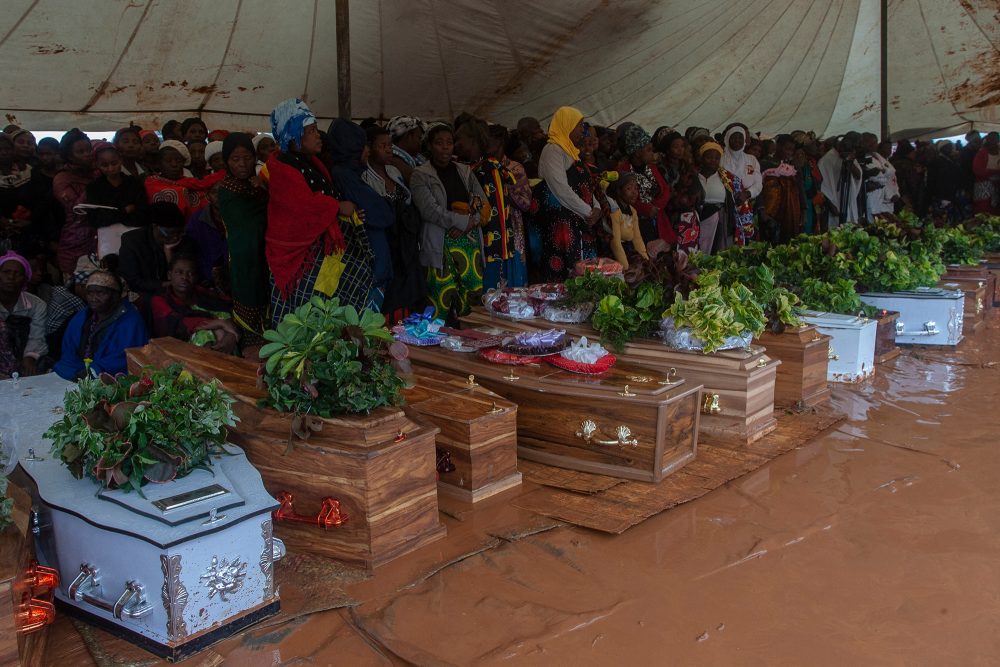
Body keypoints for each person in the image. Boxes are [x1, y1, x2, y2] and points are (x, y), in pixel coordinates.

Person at [266, 98, 367, 323]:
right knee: (301, 317)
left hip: (320, 254)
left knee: (325, 311)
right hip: (301, 260)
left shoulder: (310, 163)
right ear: (293, 136)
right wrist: (337, 207)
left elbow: (322, 198)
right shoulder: (284, 168)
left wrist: (345, 214)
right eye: (311, 130)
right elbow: (302, 206)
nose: (317, 135)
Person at [412, 124, 487, 318]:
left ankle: (470, 341)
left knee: (472, 296)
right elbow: (430, 210)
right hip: (440, 243)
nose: (445, 147)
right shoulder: (420, 175)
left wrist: (471, 222)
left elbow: (482, 203)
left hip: (469, 243)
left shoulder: (465, 171)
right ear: (429, 146)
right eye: (439, 143)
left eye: (449, 142)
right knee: (441, 296)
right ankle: (438, 345)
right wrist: (462, 222)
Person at [327, 118, 391, 310]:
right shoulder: (344, 175)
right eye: (363, 145)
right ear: (351, 147)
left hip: (363, 266)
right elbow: (384, 214)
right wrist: (386, 203)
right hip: (365, 267)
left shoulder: (349, 173)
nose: (368, 150)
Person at [532, 107, 602, 281]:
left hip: (580, 222)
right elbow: (560, 188)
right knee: (563, 276)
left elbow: (585, 186)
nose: (582, 130)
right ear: (566, 125)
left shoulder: (573, 152)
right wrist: (587, 211)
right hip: (562, 226)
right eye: (578, 125)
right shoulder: (552, 150)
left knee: (584, 275)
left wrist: (597, 208)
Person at [456, 119, 527, 289]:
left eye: (460, 140)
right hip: (490, 244)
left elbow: (493, 210)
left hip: (491, 246)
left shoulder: (487, 170)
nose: (456, 144)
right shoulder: (481, 167)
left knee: (491, 294)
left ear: (473, 140)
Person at [364, 126, 426, 318]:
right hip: (387, 241)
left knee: (409, 287)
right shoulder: (365, 177)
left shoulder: (393, 171)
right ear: (370, 149)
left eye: (390, 145)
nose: (388, 150)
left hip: (405, 241)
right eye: (382, 146)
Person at [217, 133, 270, 343]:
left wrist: (264, 189)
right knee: (250, 295)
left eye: (247, 158)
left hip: (264, 253)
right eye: (235, 159)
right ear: (226, 161)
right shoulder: (227, 190)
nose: (242, 164)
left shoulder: (256, 184)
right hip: (243, 257)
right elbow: (247, 226)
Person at [53, 270, 147, 380]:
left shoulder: (131, 321)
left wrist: (94, 370)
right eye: (90, 293)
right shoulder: (82, 316)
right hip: (77, 369)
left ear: (115, 295)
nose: (93, 298)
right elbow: (69, 350)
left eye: (101, 293)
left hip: (109, 374)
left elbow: (125, 357)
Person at [150, 254, 238, 353]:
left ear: (196, 277)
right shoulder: (160, 299)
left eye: (190, 273)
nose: (184, 277)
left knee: (222, 326)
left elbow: (226, 309)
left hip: (223, 340)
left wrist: (230, 336)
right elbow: (178, 324)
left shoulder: (202, 293)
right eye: (179, 272)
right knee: (203, 334)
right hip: (178, 348)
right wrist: (219, 323)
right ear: (169, 275)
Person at [118, 201, 195, 301]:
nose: (175, 237)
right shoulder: (132, 241)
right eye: (170, 233)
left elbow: (185, 276)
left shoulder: (185, 242)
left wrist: (169, 254)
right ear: (155, 226)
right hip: (142, 294)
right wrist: (166, 284)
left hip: (176, 294)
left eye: (180, 232)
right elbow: (132, 280)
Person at [488, 124, 533, 287]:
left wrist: (503, 189)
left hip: (512, 228)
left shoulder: (515, 168)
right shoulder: (482, 168)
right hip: (491, 231)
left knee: (514, 281)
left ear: (499, 142)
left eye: (488, 140)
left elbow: (526, 203)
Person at [618, 123, 672, 244]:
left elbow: (665, 190)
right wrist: (646, 209)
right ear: (637, 153)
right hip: (636, 223)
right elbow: (623, 197)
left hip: (658, 219)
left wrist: (656, 207)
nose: (652, 153)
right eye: (648, 150)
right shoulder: (623, 170)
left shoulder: (652, 167)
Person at [144, 140, 225, 219]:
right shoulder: (152, 182)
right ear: (159, 164)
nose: (174, 164)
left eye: (178, 161)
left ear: (183, 163)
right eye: (168, 161)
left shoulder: (189, 181)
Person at [53, 129, 95, 276]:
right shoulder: (62, 179)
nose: (87, 154)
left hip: (99, 240)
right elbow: (76, 209)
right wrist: (94, 186)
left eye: (89, 150)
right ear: (69, 156)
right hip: (75, 242)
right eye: (80, 152)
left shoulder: (97, 172)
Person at [0, 251, 47, 377]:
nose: (11, 277)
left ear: (26, 278)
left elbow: (37, 336)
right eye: (6, 272)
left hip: (23, 354)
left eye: (18, 273)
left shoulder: (37, 304)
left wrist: (30, 357)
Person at [657, 131, 703, 250]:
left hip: (688, 215)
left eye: (682, 146)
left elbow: (697, 190)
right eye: (675, 147)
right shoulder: (661, 168)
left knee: (689, 250)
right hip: (669, 215)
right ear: (667, 149)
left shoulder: (688, 167)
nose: (680, 150)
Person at [84, 143, 147, 228]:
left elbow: (143, 213)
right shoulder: (94, 187)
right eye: (104, 165)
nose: (111, 168)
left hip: (134, 231)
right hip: (106, 237)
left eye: (114, 163)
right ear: (97, 164)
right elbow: (94, 220)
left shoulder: (134, 183)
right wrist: (125, 210)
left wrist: (111, 215)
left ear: (121, 160)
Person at [759, 134, 805, 243]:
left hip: (790, 211)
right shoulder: (765, 163)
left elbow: (800, 188)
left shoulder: (794, 166)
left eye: (792, 150)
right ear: (778, 146)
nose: (789, 153)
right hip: (770, 210)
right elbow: (758, 188)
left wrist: (804, 210)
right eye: (787, 149)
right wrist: (761, 210)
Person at [721, 124, 761, 243]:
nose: (737, 140)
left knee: (748, 242)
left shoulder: (751, 160)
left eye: (740, 137)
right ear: (727, 139)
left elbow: (758, 183)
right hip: (727, 208)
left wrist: (747, 194)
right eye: (734, 137)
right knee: (728, 240)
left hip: (749, 206)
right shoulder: (721, 159)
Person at [696, 142, 737, 254]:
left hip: (719, 218)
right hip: (698, 218)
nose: (712, 160)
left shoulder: (725, 177)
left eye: (716, 158)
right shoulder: (695, 176)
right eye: (709, 157)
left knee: (717, 250)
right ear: (702, 158)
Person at [185, 184, 228, 286]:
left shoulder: (239, 217)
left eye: (223, 191)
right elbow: (191, 253)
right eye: (214, 192)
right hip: (205, 279)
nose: (219, 195)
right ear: (208, 196)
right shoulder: (197, 220)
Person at [819, 133, 863, 227]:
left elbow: (858, 176)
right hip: (834, 203)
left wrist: (849, 161)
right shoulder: (827, 159)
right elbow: (821, 186)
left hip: (848, 199)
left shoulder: (850, 156)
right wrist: (831, 205)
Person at [606, 173, 647, 270]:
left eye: (636, 188)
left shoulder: (633, 211)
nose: (634, 193)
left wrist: (646, 262)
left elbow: (637, 239)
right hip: (612, 254)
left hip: (627, 250)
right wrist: (625, 269)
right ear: (619, 191)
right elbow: (615, 243)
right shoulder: (614, 210)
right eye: (629, 189)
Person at [856, 132, 898, 220]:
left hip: (880, 196)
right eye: (872, 142)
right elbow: (876, 177)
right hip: (869, 196)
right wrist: (884, 172)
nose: (875, 145)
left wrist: (884, 172)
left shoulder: (877, 156)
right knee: (869, 217)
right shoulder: (862, 157)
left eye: (875, 142)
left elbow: (890, 171)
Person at [927, 142, 963, 221]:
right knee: (942, 218)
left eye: (951, 147)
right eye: (948, 147)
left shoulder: (951, 160)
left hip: (951, 194)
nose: (951, 149)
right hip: (941, 194)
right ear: (942, 149)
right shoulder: (936, 162)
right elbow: (931, 181)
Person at [386, 116, 426, 183]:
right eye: (419, 138)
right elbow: (421, 184)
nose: (420, 142)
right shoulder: (394, 159)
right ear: (408, 136)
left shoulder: (410, 158)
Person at [972, 132, 1000, 215]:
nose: (993, 141)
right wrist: (995, 172)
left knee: (995, 210)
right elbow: (977, 170)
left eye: (995, 139)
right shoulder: (982, 153)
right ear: (987, 140)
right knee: (983, 211)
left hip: (997, 187)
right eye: (991, 139)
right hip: (983, 187)